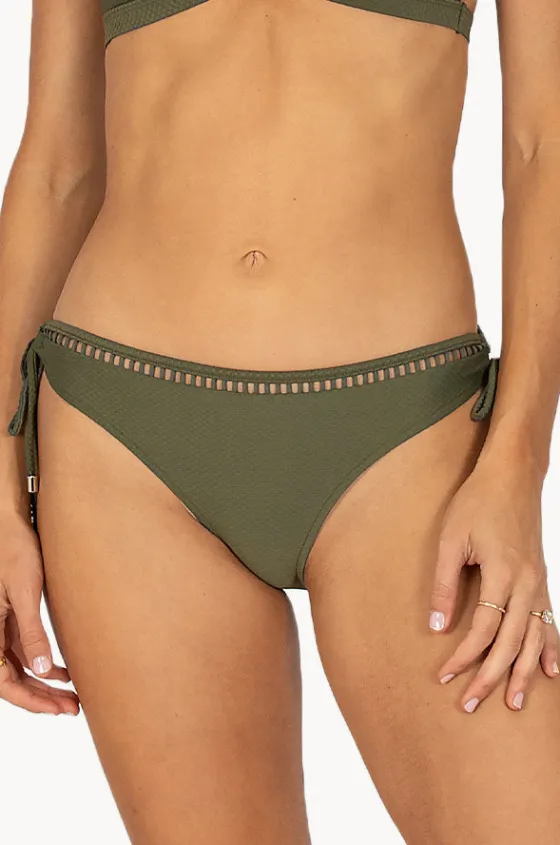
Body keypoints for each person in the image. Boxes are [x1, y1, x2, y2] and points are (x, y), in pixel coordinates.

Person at [1, 1, 559, 842]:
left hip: (406, 436)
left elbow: (542, 147)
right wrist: (2, 479)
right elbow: (57, 165)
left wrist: (518, 465)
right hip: (124, 445)